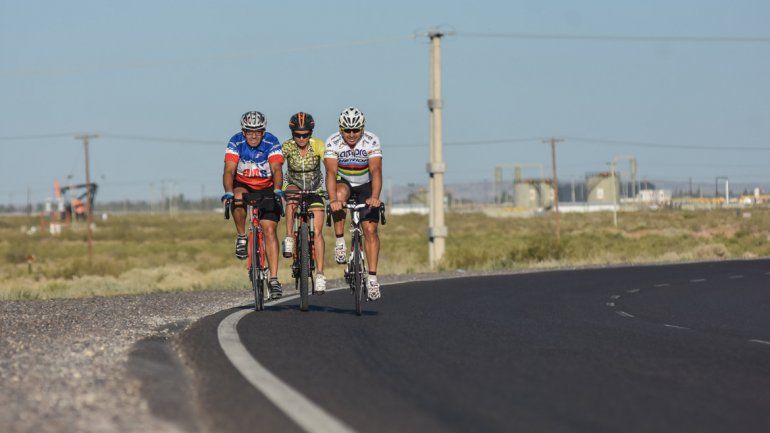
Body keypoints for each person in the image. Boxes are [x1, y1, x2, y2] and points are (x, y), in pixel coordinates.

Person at [221, 111, 286, 299]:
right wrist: (228, 191)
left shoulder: (272, 142)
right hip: (244, 185)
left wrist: (278, 189)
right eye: (249, 131)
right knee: (237, 196)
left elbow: (276, 169)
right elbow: (229, 170)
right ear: (243, 131)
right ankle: (242, 237)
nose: (254, 135)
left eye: (258, 131)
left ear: (263, 131)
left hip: (267, 187)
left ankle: (273, 279)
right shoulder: (235, 142)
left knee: (269, 230)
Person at [324, 107, 383, 300]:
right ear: (340, 129)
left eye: (356, 130)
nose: (351, 135)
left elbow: (375, 171)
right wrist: (333, 200)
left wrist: (375, 197)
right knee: (339, 196)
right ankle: (340, 241)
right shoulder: (333, 141)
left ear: (362, 129)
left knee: (370, 231)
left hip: (366, 185)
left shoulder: (371, 140)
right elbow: (331, 173)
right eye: (347, 130)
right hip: (345, 183)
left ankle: (372, 279)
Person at [280, 112, 328, 294]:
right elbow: (276, 165)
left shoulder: (318, 146)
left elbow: (329, 166)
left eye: (305, 134)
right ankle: (289, 237)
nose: (301, 138)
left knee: (318, 232)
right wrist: (276, 187)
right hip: (293, 184)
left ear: (311, 133)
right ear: (292, 133)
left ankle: (321, 275)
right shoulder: (287, 146)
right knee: (291, 198)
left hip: (315, 188)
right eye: (298, 135)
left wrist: (333, 186)